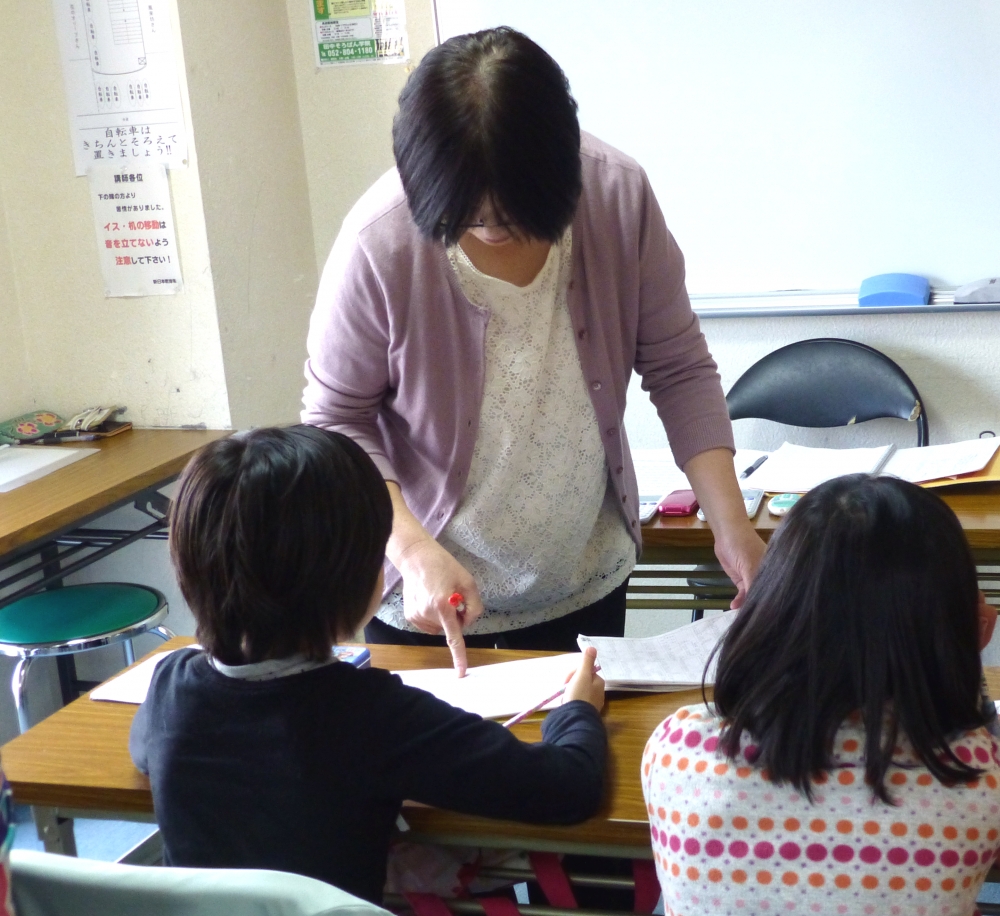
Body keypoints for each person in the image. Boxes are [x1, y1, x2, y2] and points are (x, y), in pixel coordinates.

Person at [301, 27, 765, 676]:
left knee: (579, 768)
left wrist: (731, 527)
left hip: (585, 575)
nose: (492, 232)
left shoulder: (618, 198)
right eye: (470, 217)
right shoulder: (379, 241)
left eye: (514, 214)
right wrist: (409, 549)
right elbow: (335, 419)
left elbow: (678, 366)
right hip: (432, 597)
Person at [129, 426, 607, 904]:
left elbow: (144, 752)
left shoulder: (172, 684)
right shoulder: (376, 715)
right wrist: (577, 711)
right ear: (351, 582)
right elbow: (567, 787)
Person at [641, 474, 1000, 916]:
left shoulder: (675, 748)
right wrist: (966, 664)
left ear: (771, 601)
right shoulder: (977, 772)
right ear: (952, 626)